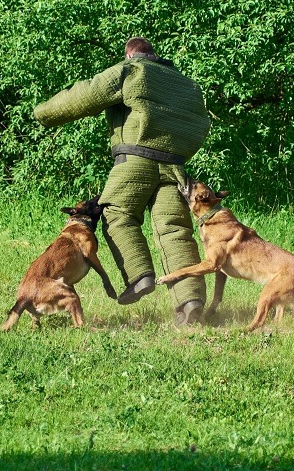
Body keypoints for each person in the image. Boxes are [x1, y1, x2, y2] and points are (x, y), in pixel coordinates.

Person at [33, 37, 211, 324]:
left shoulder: (133, 70)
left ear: (130, 54)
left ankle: (139, 275)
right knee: (175, 231)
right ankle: (190, 301)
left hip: (134, 161)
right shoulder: (185, 84)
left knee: (117, 215)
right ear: (154, 54)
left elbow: (87, 94)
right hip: (175, 166)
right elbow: (201, 123)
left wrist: (42, 113)